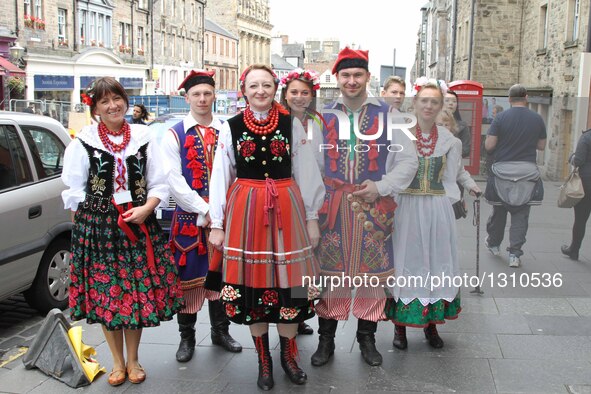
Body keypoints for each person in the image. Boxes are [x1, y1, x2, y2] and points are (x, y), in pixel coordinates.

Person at [206, 64, 325, 390]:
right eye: (254, 85)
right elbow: (221, 174)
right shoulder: (230, 126)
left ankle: (289, 355)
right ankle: (263, 359)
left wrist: (312, 217)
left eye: (267, 85)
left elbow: (306, 171)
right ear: (244, 90)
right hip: (246, 211)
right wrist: (217, 223)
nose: (260, 91)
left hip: (287, 208)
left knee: (294, 285)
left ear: (276, 88)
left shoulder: (291, 124)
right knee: (252, 288)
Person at [61, 77, 184, 386]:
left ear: (126, 102)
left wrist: (147, 209)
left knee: (136, 294)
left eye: (116, 98)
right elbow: (74, 191)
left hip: (139, 224)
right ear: (96, 109)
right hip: (100, 229)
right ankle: (116, 362)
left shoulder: (143, 137)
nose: (112, 105)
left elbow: (159, 181)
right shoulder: (83, 142)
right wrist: (89, 230)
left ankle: (134, 359)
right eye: (104, 101)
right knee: (108, 296)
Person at [312, 47, 418, 367]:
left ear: (368, 77)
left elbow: (408, 160)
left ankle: (367, 339)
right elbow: (313, 164)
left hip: (374, 208)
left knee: (372, 278)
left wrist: (381, 187)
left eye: (358, 74)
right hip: (333, 209)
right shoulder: (324, 116)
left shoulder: (391, 115)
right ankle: (326, 340)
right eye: (346, 75)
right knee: (332, 277)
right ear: (338, 78)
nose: (352, 80)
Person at [386, 78, 480, 350]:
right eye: (424, 100)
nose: (429, 106)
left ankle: (431, 325)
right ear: (414, 103)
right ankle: (400, 328)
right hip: (406, 207)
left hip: (437, 208)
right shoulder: (400, 134)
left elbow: (455, 172)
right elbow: (388, 169)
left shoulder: (450, 140)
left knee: (436, 263)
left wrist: (471, 186)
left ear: (441, 106)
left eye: (434, 102)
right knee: (406, 262)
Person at [161, 70, 242, 363]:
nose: (203, 99)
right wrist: (204, 209)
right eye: (196, 94)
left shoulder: (227, 128)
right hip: (189, 220)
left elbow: (235, 171)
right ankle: (187, 337)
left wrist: (221, 210)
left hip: (225, 216)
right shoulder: (175, 133)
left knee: (220, 276)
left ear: (214, 96)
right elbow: (173, 180)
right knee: (189, 279)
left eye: (207, 93)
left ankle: (221, 332)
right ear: (187, 98)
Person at [278, 67, 323, 336]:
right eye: (294, 92)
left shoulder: (318, 122)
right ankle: (286, 311)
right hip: (286, 197)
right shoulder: (277, 121)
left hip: (314, 198)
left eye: (304, 93)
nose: (299, 97)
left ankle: (302, 311)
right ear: (285, 94)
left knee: (310, 260)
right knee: (289, 260)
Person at [484, 84, 547, 267]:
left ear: (509, 99)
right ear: (526, 97)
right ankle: (515, 254)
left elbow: (489, 145)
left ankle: (494, 244)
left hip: (503, 170)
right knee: (521, 214)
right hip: (527, 172)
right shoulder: (537, 119)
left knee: (499, 210)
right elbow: (542, 146)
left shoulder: (501, 118)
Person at [562, 129, 591, 260]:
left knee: (580, 219)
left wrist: (571, 157)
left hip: (586, 184)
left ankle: (574, 250)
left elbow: (578, 160)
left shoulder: (587, 137)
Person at [444, 90, 471, 158]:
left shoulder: (463, 126)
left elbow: (466, 149)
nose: (451, 103)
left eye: (454, 101)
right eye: (447, 100)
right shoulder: (433, 123)